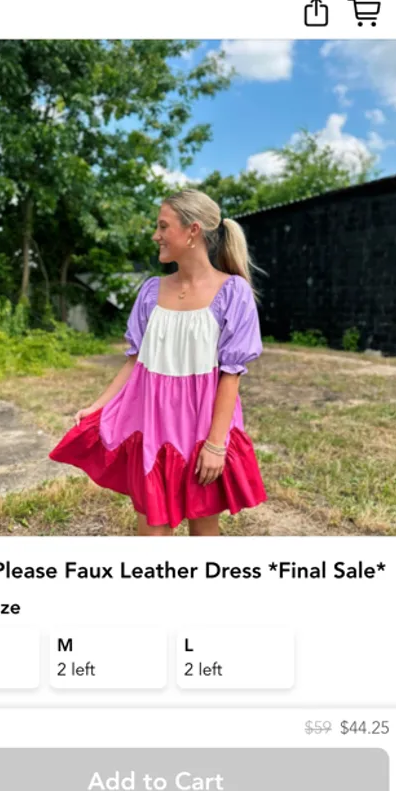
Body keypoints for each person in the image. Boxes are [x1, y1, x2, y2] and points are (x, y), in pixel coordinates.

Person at [49, 188, 266, 536]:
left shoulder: (233, 292)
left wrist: (215, 444)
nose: (156, 235)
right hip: (153, 428)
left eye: (163, 226)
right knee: (152, 532)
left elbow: (231, 375)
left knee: (204, 531)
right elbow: (135, 361)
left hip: (202, 429)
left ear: (193, 231)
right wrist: (97, 406)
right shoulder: (151, 291)